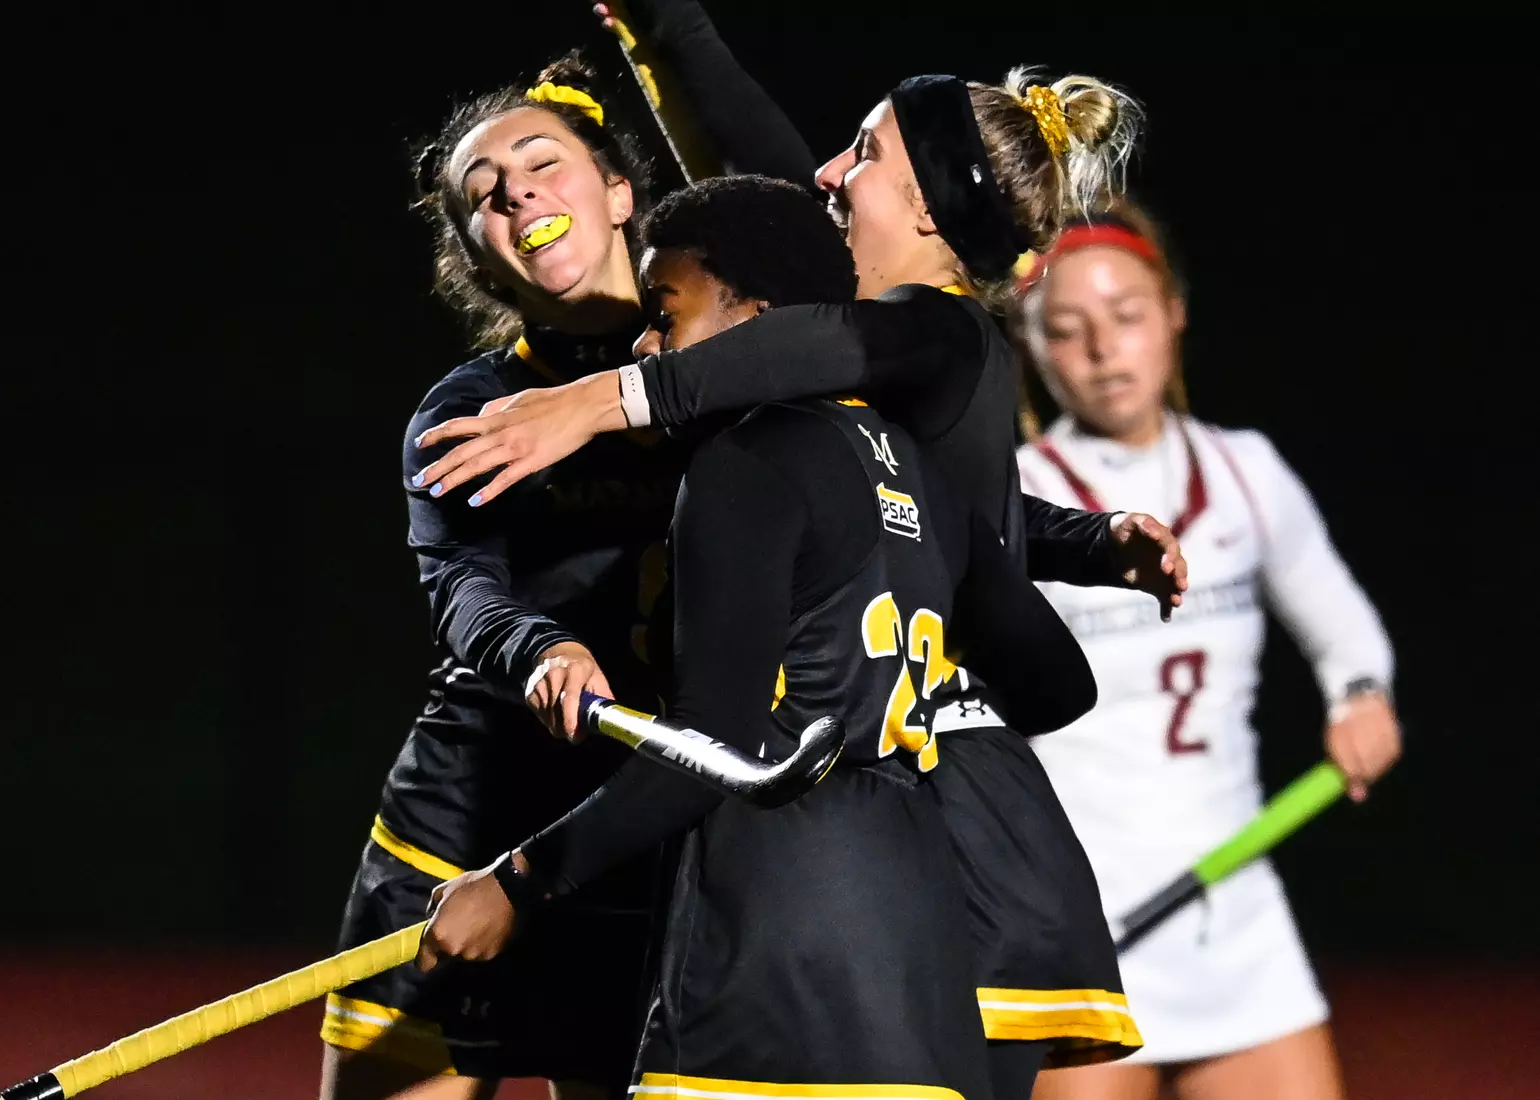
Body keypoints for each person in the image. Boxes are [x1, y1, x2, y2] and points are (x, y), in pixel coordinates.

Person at [411, 19, 1172, 1094]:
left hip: (918, 815)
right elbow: (763, 209)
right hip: (914, 801)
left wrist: (599, 399)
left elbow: (790, 323)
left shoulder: (928, 337)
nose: (826, 168)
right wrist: (665, 32)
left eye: (861, 155)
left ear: (924, 208)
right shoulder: (873, 401)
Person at [319, 55, 674, 1100]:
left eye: (540, 162)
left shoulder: (731, 374)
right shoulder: (465, 404)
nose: (514, 190)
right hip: (468, 810)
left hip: (633, 834)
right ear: (476, 256)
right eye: (483, 193)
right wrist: (540, 644)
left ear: (618, 193)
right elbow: (462, 583)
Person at [1009, 202, 1402, 1100]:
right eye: (1067, 330)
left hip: (1234, 912)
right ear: (1034, 344)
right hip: (1084, 922)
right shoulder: (1011, 495)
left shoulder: (1244, 471)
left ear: (1174, 312)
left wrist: (1361, 696)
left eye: (1128, 316)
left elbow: (1347, 634)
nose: (1104, 350)